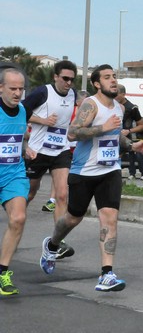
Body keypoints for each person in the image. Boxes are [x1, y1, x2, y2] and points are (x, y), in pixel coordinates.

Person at [39, 64, 143, 292]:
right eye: (107, 77)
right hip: (84, 172)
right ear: (97, 84)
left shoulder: (119, 107)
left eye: (115, 76)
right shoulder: (91, 104)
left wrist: (132, 145)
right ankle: (52, 244)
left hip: (110, 170)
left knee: (109, 218)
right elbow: (73, 132)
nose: (113, 80)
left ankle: (106, 274)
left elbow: (115, 135)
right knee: (72, 218)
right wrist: (102, 126)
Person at [22, 60, 78, 259]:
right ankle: (15, 217)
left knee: (62, 194)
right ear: (55, 77)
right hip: (38, 150)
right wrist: (42, 121)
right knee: (30, 192)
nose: (69, 83)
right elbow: (20, 112)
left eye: (72, 79)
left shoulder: (73, 94)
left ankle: (57, 242)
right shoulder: (42, 92)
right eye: (65, 78)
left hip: (60, 149)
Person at [0, 68, 31, 296]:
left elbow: (17, 135)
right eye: (13, 88)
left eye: (21, 88)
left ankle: (3, 273)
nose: (18, 93)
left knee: (18, 218)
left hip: (13, 173)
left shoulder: (22, 110)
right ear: (1, 87)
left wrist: (26, 147)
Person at [116, 84, 143, 181]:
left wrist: (128, 130)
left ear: (123, 94)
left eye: (116, 93)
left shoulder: (132, 108)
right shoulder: (111, 104)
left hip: (130, 139)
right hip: (112, 137)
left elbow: (142, 126)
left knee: (137, 157)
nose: (114, 95)